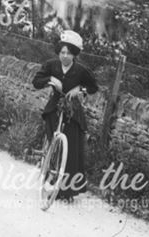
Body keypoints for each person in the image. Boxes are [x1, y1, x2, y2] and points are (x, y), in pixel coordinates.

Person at [31, 30, 99, 200]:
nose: (65, 56)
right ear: (58, 52)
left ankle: (67, 191)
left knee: (71, 149)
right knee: (54, 144)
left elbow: (94, 87)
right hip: (55, 106)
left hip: (72, 111)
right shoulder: (51, 65)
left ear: (74, 54)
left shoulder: (81, 70)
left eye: (69, 53)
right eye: (62, 52)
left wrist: (80, 89)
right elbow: (36, 82)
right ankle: (49, 178)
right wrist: (51, 80)